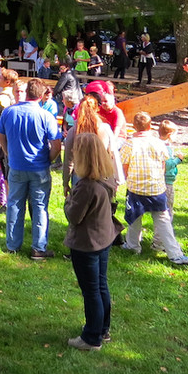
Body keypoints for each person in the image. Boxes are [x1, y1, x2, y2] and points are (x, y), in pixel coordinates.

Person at [63, 132, 120, 351]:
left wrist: (68, 201)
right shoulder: (106, 178)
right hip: (103, 238)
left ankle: (91, 337)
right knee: (101, 285)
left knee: (91, 290)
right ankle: (102, 328)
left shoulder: (86, 186)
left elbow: (74, 216)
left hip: (87, 243)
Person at [0, 79, 62, 259]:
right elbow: (56, 145)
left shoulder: (9, 112)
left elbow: (0, 137)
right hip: (39, 167)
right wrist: (48, 159)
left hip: (16, 166)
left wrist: (9, 154)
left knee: (14, 205)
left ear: (27, 93)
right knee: (40, 206)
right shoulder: (45, 116)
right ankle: (38, 248)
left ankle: (12, 245)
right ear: (41, 95)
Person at [119, 112, 188, 265]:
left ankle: (132, 245)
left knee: (134, 218)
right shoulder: (158, 143)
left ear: (134, 126)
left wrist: (129, 179)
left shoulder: (128, 144)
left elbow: (124, 167)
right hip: (156, 188)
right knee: (163, 220)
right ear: (150, 126)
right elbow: (163, 164)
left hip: (135, 187)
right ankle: (175, 254)